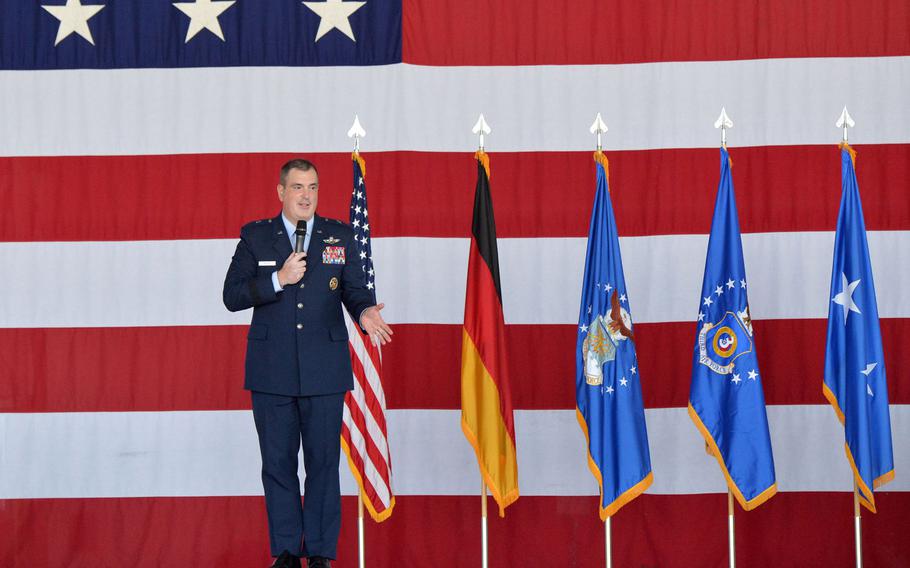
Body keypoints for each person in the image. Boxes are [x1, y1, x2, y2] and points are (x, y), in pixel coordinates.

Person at [223, 159, 392, 568]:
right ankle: (284, 550)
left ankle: (318, 553)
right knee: (278, 463)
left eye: (312, 187)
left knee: (322, 464)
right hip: (271, 369)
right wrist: (279, 278)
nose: (306, 195)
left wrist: (365, 311)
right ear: (281, 192)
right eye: (297, 187)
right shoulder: (256, 237)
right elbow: (232, 296)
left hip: (324, 369)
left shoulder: (339, 235)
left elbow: (354, 290)